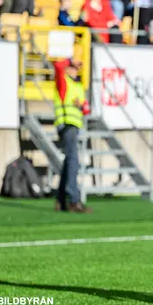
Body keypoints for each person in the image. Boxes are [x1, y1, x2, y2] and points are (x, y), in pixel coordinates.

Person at [53, 58, 92, 213]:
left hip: (75, 126)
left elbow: (86, 108)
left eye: (76, 68)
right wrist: (70, 59)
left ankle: (60, 200)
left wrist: (81, 106)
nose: (74, 70)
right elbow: (57, 65)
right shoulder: (63, 83)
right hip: (66, 125)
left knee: (69, 162)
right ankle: (73, 201)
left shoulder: (78, 86)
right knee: (73, 161)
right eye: (71, 67)